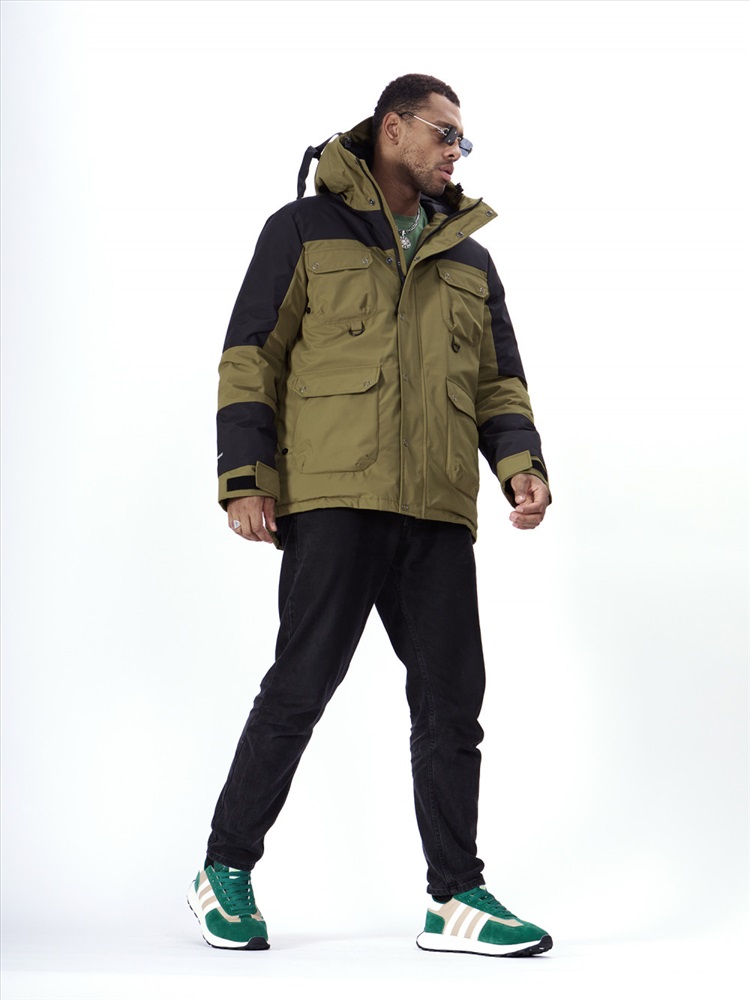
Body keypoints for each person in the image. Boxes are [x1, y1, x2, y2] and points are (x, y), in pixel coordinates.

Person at [187, 73, 552, 958]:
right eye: (444, 133)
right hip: (334, 498)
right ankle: (223, 868)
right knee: (301, 686)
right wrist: (247, 476)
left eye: (462, 139)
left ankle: (454, 897)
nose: (456, 151)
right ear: (393, 128)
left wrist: (520, 465)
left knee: (453, 703)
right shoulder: (303, 230)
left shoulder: (469, 258)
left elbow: (498, 380)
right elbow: (250, 356)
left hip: (435, 506)